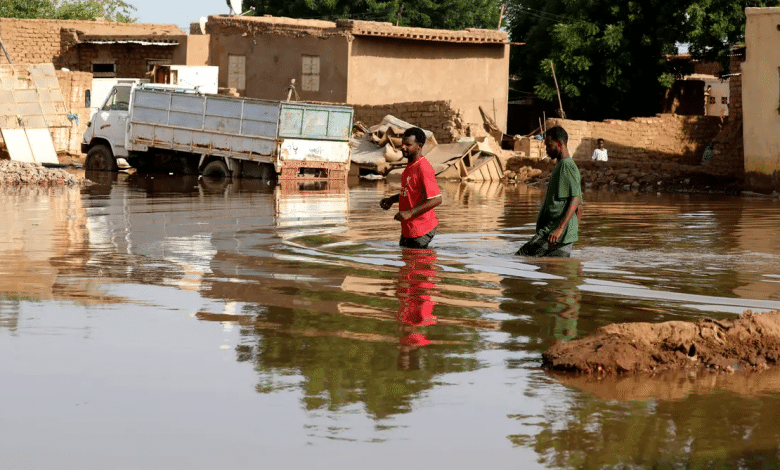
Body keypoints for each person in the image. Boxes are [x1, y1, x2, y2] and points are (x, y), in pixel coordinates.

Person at [517, 126, 582, 257]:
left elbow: (576, 200)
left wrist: (561, 229)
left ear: (560, 144)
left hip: (554, 233)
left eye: (549, 145)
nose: (546, 150)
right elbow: (579, 207)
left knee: (521, 257)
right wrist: (571, 232)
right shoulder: (562, 165)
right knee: (553, 272)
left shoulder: (567, 165)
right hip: (556, 234)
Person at [380, 127, 442, 249]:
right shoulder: (409, 167)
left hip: (422, 228)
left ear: (419, 146)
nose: (403, 147)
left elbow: (437, 199)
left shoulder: (423, 168)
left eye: (408, 144)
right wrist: (391, 200)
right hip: (409, 227)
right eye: (402, 144)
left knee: (417, 262)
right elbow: (409, 193)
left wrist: (410, 213)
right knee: (407, 260)